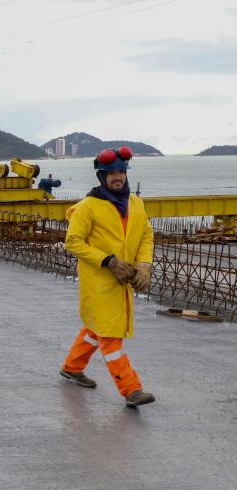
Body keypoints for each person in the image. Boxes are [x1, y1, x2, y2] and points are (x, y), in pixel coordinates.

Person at [61, 146, 156, 408]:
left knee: (97, 327)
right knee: (110, 336)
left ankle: (72, 366)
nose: (118, 177)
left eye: (121, 172)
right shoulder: (88, 207)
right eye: (111, 173)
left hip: (122, 283)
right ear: (101, 177)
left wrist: (145, 265)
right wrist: (109, 261)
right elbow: (73, 242)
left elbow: (146, 235)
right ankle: (131, 389)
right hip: (99, 283)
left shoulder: (135, 203)